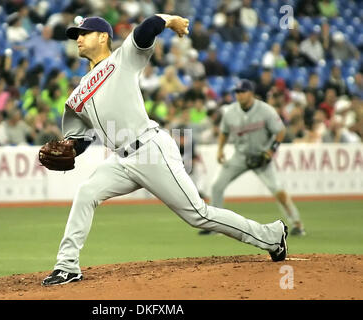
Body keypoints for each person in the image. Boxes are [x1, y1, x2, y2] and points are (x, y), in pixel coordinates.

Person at [39, 15, 288, 286]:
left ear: (103, 37)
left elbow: (147, 28)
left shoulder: (123, 59)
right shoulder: (77, 95)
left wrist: (171, 21)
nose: (78, 38)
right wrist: (71, 149)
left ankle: (271, 236)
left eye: (84, 33)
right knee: (86, 193)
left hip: (149, 149)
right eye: (76, 34)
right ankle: (67, 266)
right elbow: (81, 137)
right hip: (121, 160)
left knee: (198, 215)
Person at [199, 80, 305, 237]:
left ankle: (297, 224)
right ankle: (215, 226)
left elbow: (280, 131)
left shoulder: (265, 110)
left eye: (242, 91)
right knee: (216, 186)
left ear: (251, 93)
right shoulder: (230, 112)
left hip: (262, 157)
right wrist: (220, 150)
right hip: (240, 156)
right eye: (237, 92)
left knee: (277, 190)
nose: (239, 95)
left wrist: (271, 151)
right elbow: (224, 132)